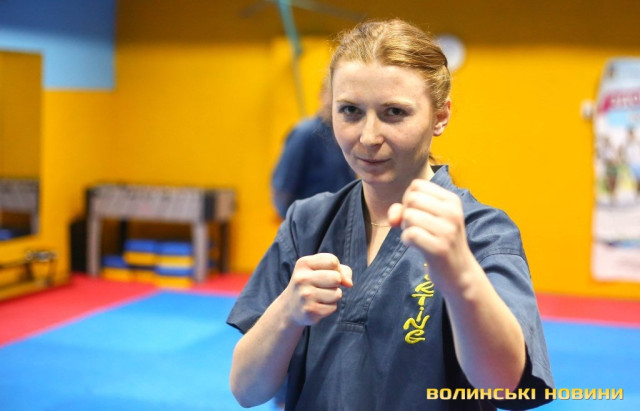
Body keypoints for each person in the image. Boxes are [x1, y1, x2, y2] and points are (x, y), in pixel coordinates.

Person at [228, 19, 554, 410]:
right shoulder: (308, 223)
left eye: (394, 112)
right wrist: (287, 312)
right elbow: (246, 390)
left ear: (440, 116)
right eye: (350, 110)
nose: (368, 137)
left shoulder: (482, 233)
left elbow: (505, 386)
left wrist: (462, 277)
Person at [271, 78, 356, 218]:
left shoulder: (344, 136)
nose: (337, 102)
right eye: (333, 94)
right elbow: (282, 189)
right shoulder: (304, 133)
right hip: (311, 224)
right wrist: (299, 225)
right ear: (321, 95)